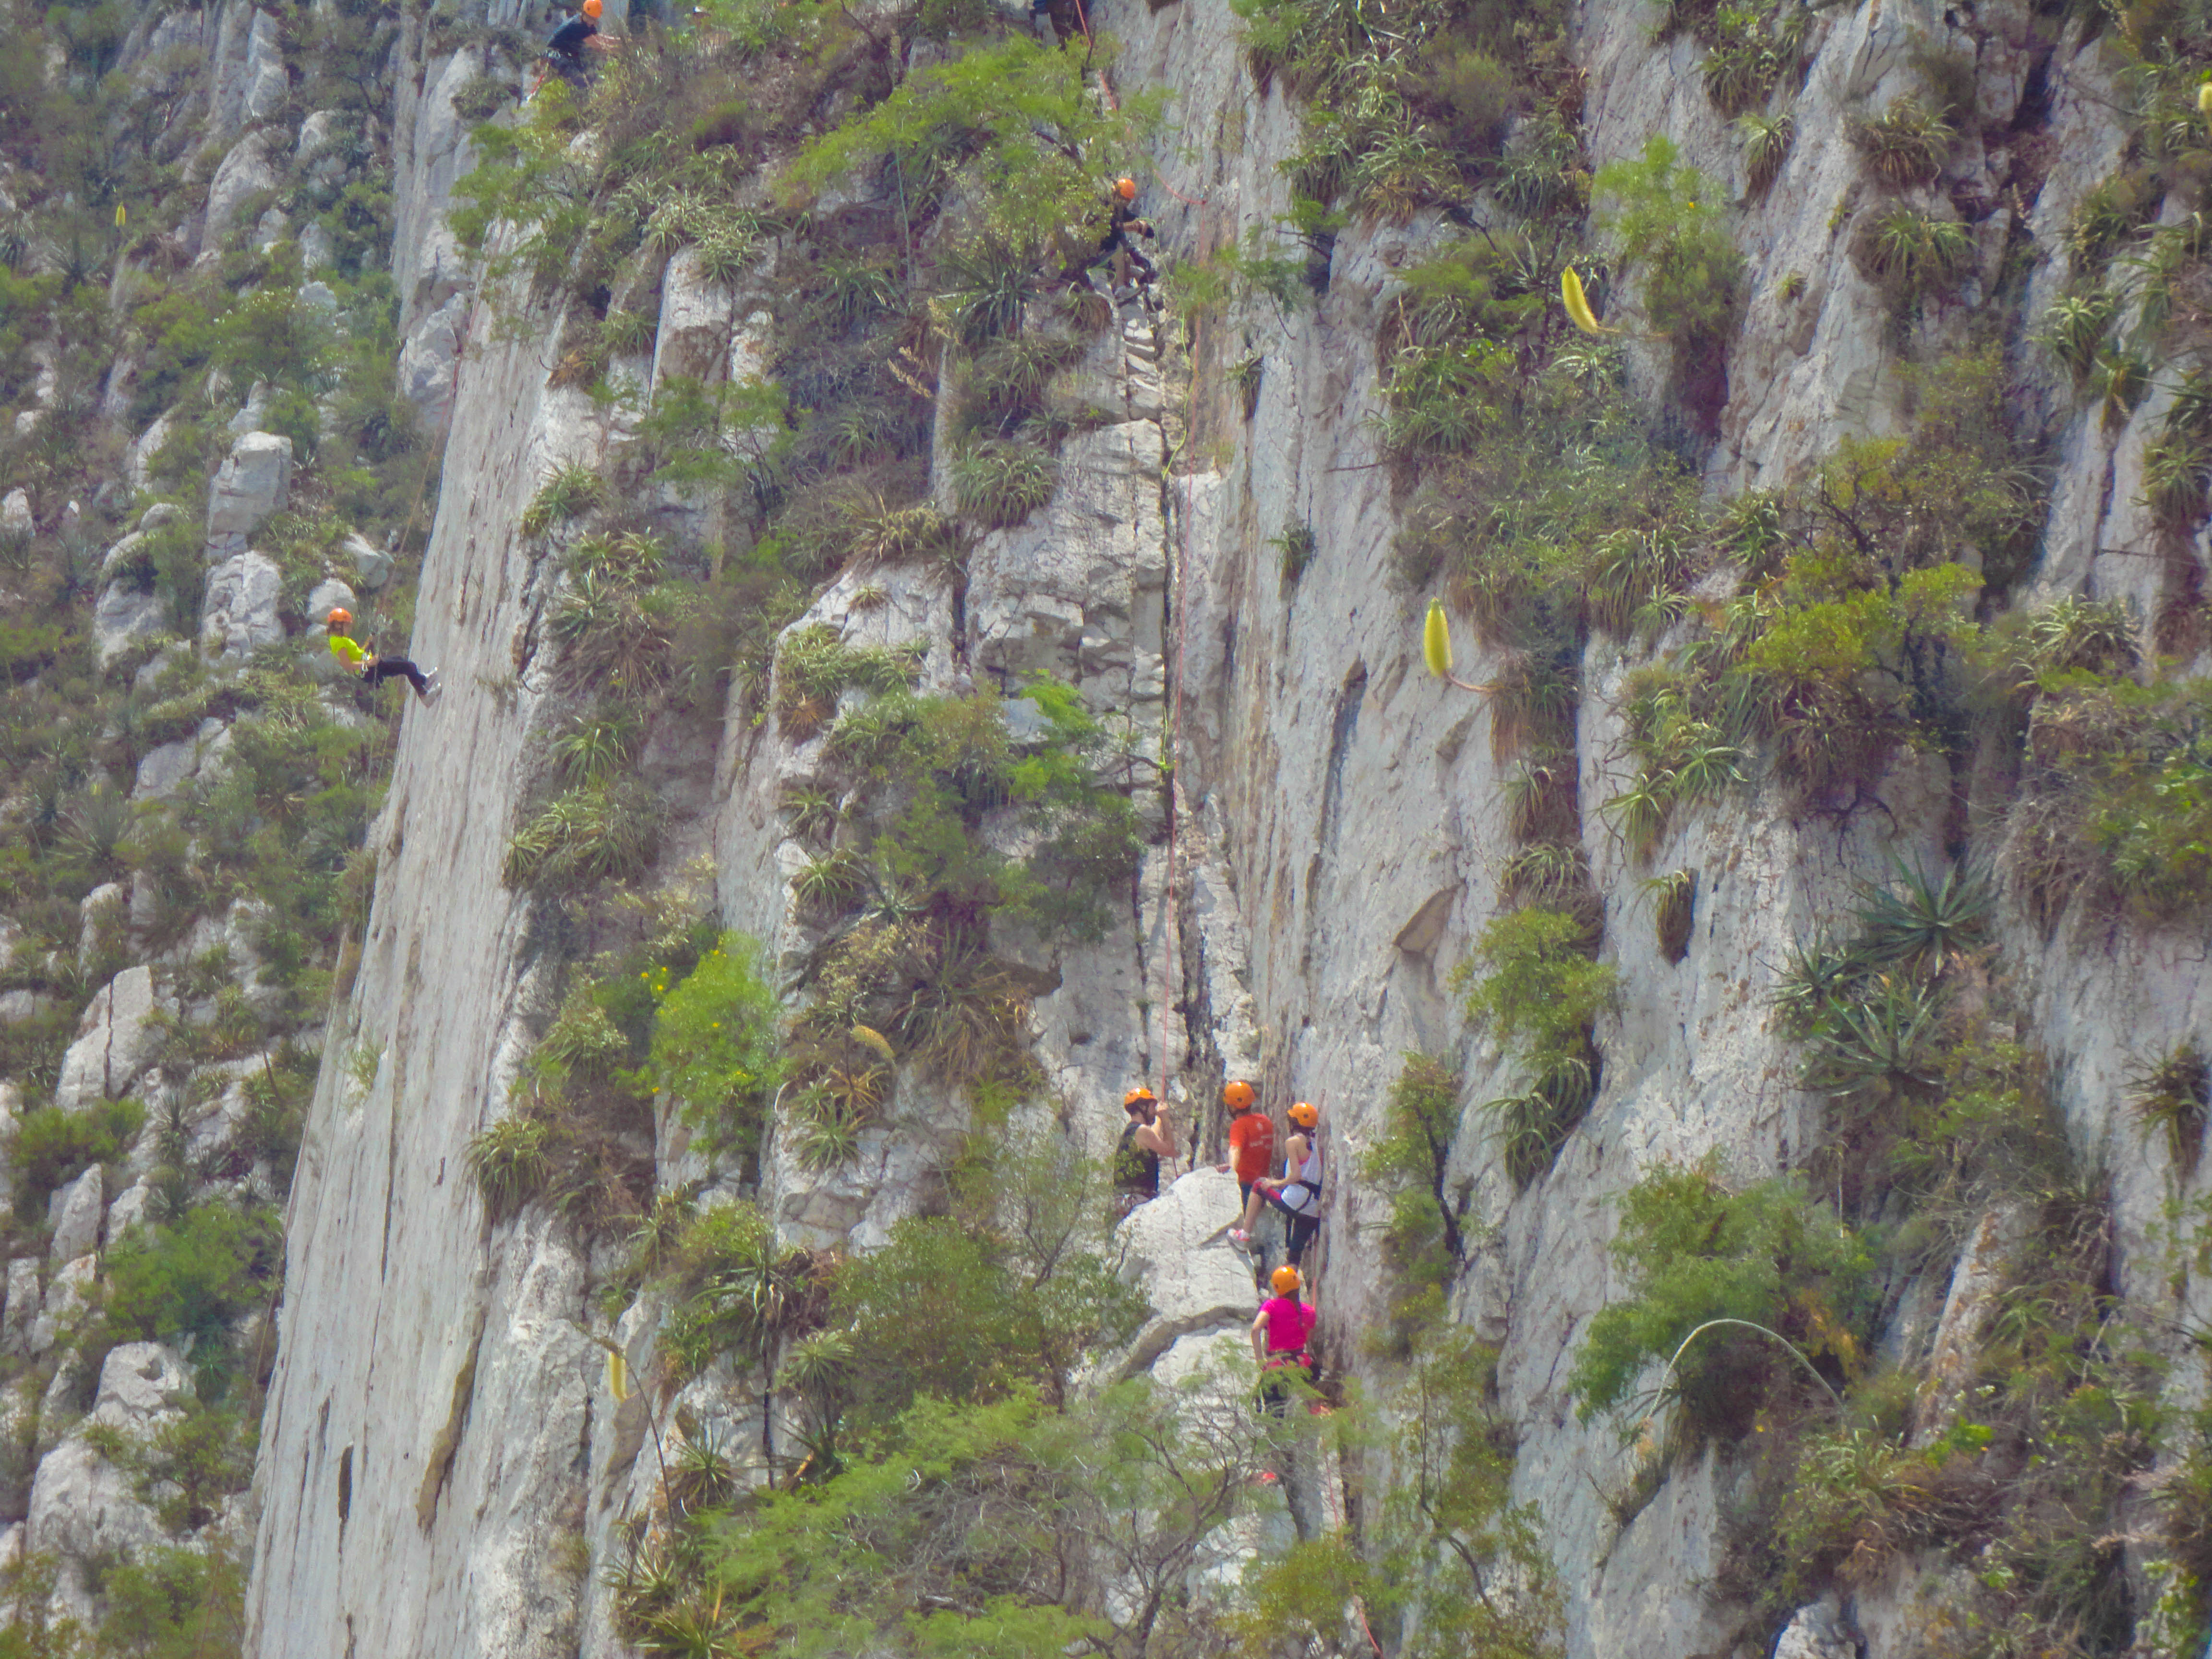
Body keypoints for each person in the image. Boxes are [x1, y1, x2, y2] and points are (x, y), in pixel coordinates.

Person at [1230, 1100, 1320, 1267]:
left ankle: (1244, 1235)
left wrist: (1275, 1183)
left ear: (1295, 1123)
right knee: (1295, 1256)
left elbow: (1296, 1175)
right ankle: (1292, 1292)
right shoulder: (1315, 1142)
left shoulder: (1292, 1142)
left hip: (1295, 1200)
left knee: (1258, 1185)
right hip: (1313, 1209)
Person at [327, 609, 440, 704]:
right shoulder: (338, 643)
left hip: (370, 665)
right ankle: (425, 696)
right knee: (408, 667)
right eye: (347, 626)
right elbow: (347, 665)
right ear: (338, 625)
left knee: (399, 660)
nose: (350, 629)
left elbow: (356, 655)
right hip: (369, 670)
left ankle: (423, 681)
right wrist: (370, 663)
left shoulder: (340, 639)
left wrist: (367, 644)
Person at [1251, 1263, 1317, 1415]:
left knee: (1275, 1415)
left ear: (1277, 1287)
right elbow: (1309, 1337)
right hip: (1301, 1364)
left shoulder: (1271, 1306)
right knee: (1311, 1410)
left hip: (1277, 1365)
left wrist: (1260, 1362)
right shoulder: (1309, 1311)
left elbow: (1255, 1330)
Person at [1215, 1079, 1274, 1223]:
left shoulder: (1239, 1125)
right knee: (1256, 1223)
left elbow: (1235, 1148)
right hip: (1262, 1183)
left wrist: (1231, 1168)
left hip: (1245, 1184)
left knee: (1245, 1224)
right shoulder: (1265, 1121)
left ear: (1233, 1107)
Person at [1113, 1085, 1174, 1220]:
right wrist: (1165, 1120)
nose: (1155, 1111)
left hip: (1122, 1201)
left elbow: (1153, 1137)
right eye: (1153, 1107)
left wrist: (1158, 1120)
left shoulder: (1131, 1131)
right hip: (1137, 1201)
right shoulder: (1142, 1132)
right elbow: (1170, 1150)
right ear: (1143, 1107)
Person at [544, 0, 615, 89]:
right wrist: (619, 48)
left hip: (569, 55)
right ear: (584, 13)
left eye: (594, 19)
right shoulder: (577, 26)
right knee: (580, 80)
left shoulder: (588, 25)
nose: (591, 21)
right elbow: (598, 44)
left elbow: (600, 38)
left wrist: (622, 42)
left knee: (588, 76)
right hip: (555, 55)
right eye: (590, 18)